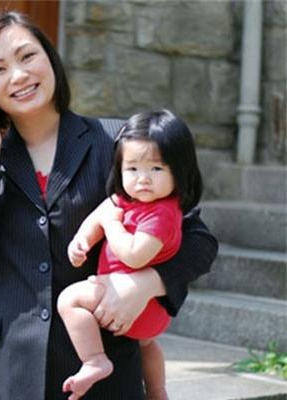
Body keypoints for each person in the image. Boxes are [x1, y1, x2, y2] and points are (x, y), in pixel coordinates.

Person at [0, 11, 218, 400]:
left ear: (50, 58)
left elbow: (200, 241)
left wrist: (144, 284)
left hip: (106, 371)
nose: (19, 75)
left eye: (27, 56)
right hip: (10, 372)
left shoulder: (117, 143)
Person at [58, 109, 204, 400]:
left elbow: (134, 256)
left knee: (69, 300)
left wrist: (112, 225)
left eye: (156, 169)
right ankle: (157, 391)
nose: (143, 179)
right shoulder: (128, 200)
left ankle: (94, 360)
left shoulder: (162, 214)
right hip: (146, 316)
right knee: (147, 345)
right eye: (133, 169)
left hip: (139, 305)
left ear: (179, 170)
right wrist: (81, 241)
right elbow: (98, 216)